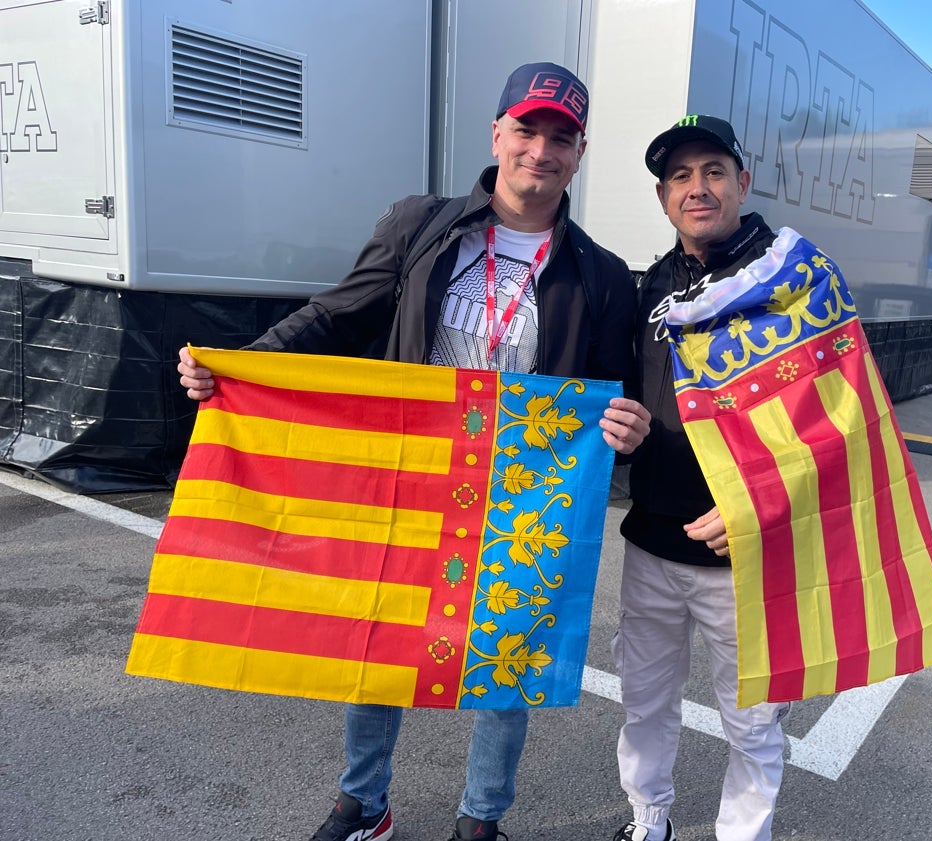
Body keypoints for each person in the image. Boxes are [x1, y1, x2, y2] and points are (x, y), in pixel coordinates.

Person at [177, 61, 650, 841]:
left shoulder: (600, 274)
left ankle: (481, 818)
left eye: (561, 137)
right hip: (411, 471)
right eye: (527, 129)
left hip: (530, 490)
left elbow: (614, 388)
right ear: (497, 132)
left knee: (507, 664)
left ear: (580, 151)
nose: (542, 149)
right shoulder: (422, 224)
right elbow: (339, 314)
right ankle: (365, 801)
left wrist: (626, 428)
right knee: (382, 639)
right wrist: (242, 362)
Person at [611, 115, 792, 841]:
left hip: (742, 551)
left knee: (752, 721)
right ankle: (647, 818)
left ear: (742, 184)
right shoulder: (653, 282)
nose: (698, 188)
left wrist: (756, 501)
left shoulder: (789, 277)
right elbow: (632, 394)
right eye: (680, 176)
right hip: (651, 542)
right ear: (663, 198)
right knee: (644, 703)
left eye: (713, 171)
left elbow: (838, 420)